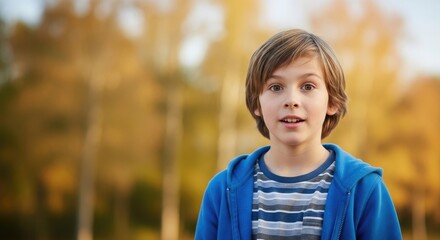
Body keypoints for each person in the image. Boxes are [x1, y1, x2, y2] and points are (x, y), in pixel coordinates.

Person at [195, 29, 402, 240]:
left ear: (332, 101)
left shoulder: (365, 190)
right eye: (276, 87)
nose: (291, 100)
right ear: (257, 102)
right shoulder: (221, 191)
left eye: (308, 86)